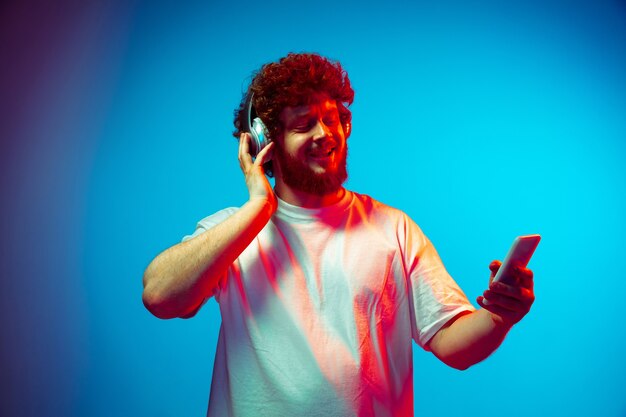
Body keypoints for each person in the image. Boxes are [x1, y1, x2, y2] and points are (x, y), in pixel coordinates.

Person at [142, 53, 535, 417]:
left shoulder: (393, 228)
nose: (326, 134)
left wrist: (499, 316)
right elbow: (160, 296)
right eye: (303, 124)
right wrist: (258, 206)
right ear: (264, 142)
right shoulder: (233, 231)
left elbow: (453, 345)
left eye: (333, 119)